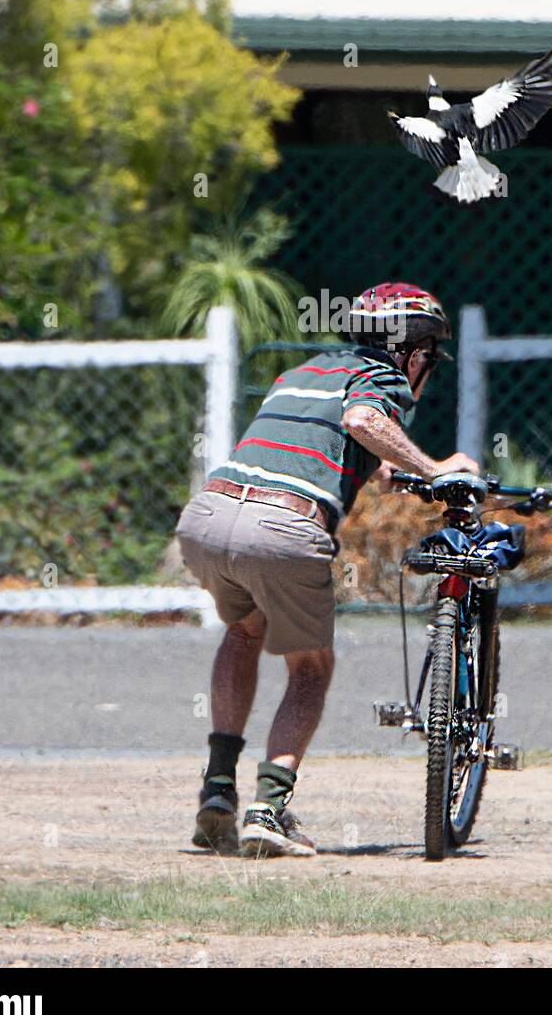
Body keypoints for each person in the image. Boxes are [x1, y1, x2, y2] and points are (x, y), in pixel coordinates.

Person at [175, 282, 479, 857]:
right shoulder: (382, 378)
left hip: (209, 518)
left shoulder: (305, 372)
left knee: (244, 631)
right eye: (430, 357)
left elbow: (348, 447)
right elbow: (365, 419)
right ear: (413, 354)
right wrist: (438, 469)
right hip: (282, 530)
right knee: (311, 669)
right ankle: (268, 810)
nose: (427, 369)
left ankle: (218, 791)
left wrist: (401, 471)